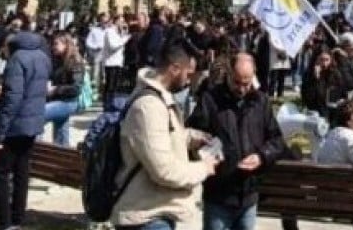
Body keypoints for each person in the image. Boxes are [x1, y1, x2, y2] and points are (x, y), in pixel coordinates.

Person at [112, 43, 219, 230]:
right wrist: (203, 168)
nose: (189, 81)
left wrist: (189, 138)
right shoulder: (149, 107)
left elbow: (160, 137)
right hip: (145, 215)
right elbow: (163, 170)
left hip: (155, 211)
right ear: (174, 68)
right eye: (188, 74)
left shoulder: (159, 99)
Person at [187, 54, 286, 230]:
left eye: (246, 83)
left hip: (249, 194)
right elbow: (191, 136)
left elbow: (276, 140)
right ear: (229, 74)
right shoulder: (210, 100)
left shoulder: (261, 101)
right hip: (218, 193)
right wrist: (203, 151)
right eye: (237, 82)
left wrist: (261, 156)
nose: (241, 89)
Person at [0, 29, 52, 230]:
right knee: (22, 171)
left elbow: (12, 98)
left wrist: (0, 132)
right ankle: (18, 218)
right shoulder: (42, 57)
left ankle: (3, 222)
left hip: (15, 125)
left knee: (0, 174)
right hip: (32, 123)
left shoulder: (16, 60)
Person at [45, 32, 85, 147]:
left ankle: (34, 149)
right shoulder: (57, 60)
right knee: (61, 131)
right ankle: (62, 152)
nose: (53, 47)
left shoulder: (75, 62)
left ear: (66, 44)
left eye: (56, 44)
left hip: (69, 102)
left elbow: (76, 88)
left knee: (37, 115)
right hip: (57, 100)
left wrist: (56, 89)